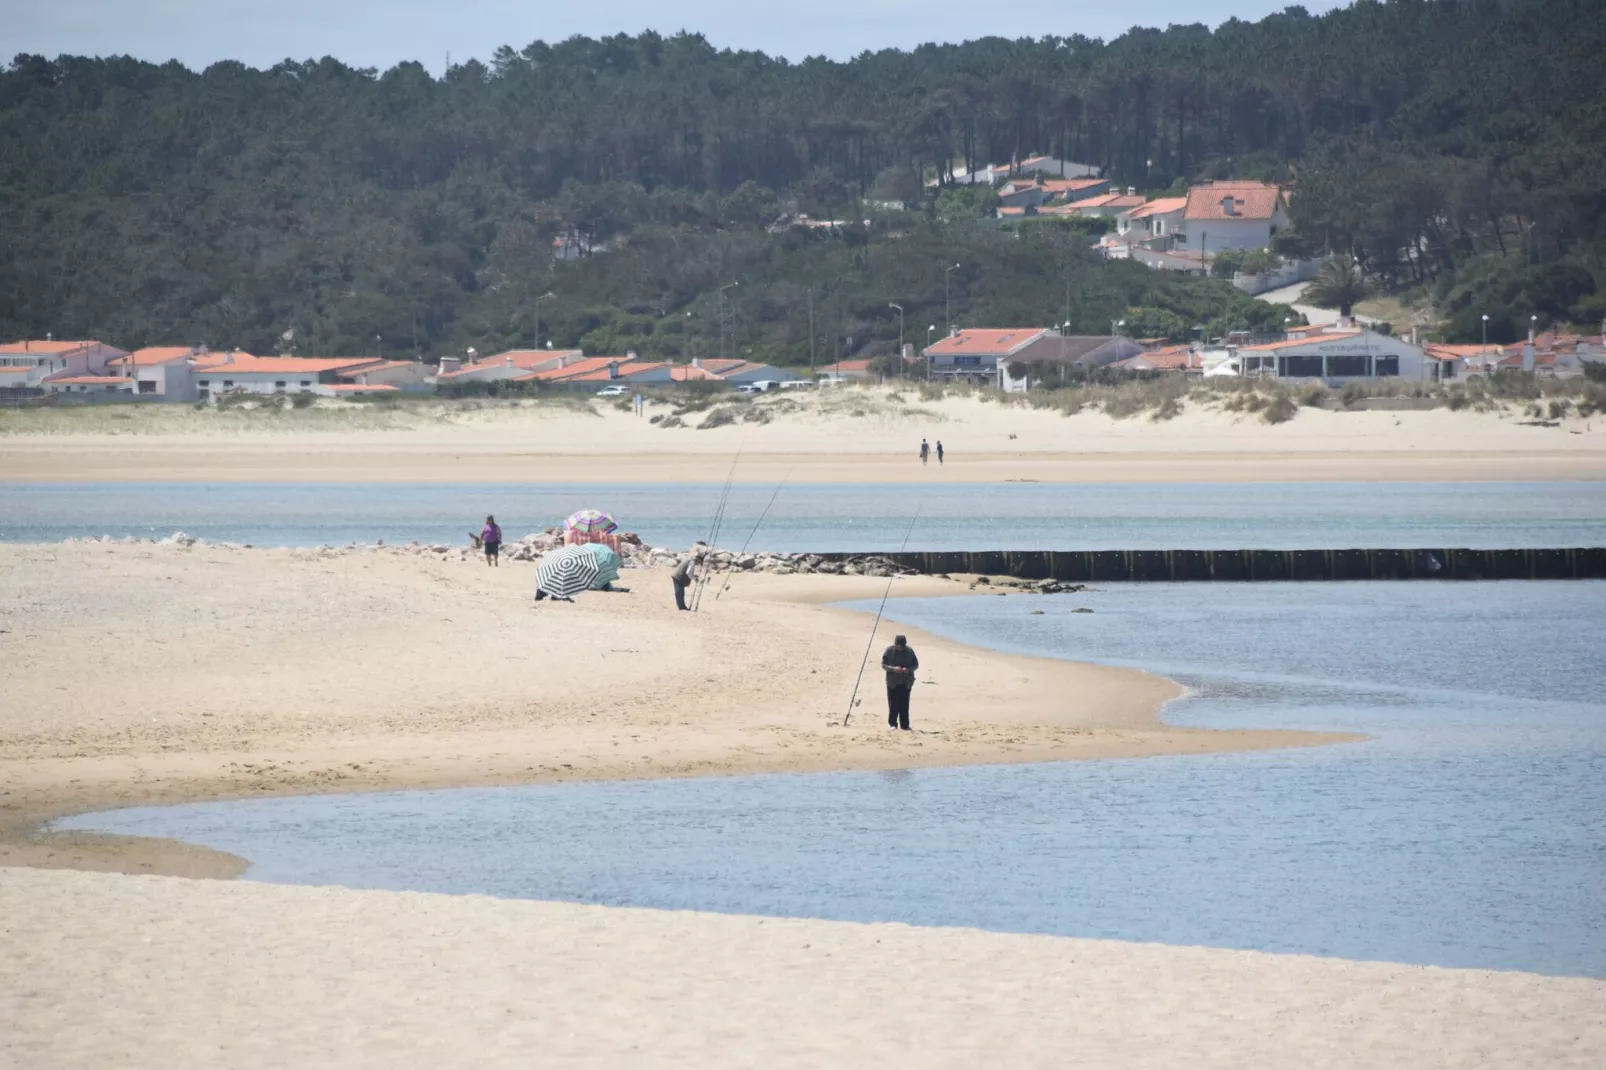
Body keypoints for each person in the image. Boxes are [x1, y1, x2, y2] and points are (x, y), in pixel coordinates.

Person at [881, 634, 919, 730]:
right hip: (892, 682)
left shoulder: (910, 652)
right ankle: (892, 724)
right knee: (893, 703)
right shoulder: (889, 651)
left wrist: (908, 669)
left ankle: (905, 725)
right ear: (895, 644)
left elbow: (916, 665)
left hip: (906, 682)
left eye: (902, 646)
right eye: (898, 646)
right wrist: (893, 669)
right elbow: (883, 664)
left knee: (904, 704)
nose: (900, 648)